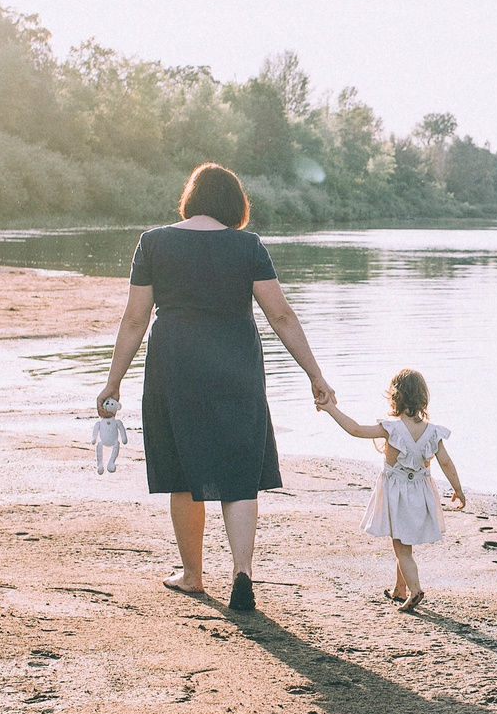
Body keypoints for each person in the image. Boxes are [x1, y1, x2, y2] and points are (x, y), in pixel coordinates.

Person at [96, 163, 335, 612]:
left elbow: (134, 319)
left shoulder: (153, 242)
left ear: (190, 198)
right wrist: (314, 374)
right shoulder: (247, 246)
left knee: (184, 469)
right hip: (236, 366)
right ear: (234, 204)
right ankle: (242, 573)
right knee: (239, 471)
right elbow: (280, 315)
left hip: (175, 366)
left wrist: (113, 382)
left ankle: (192, 575)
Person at [320, 367, 465, 611]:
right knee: (403, 540)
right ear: (422, 398)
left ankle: (415, 589)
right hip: (420, 491)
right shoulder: (432, 431)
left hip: (397, 492)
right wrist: (458, 490)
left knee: (401, 549)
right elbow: (446, 463)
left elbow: (355, 429)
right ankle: (400, 589)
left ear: (395, 396)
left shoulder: (392, 428)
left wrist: (330, 408)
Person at [89, 398, 127, 473]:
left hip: (114, 440)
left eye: (112, 404)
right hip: (102, 441)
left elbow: (121, 429)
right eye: (107, 403)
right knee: (99, 445)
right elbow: (96, 428)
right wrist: (94, 438)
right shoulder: (100, 422)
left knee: (116, 444)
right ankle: (99, 464)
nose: (108, 404)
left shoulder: (116, 422)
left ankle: (111, 462)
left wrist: (124, 438)